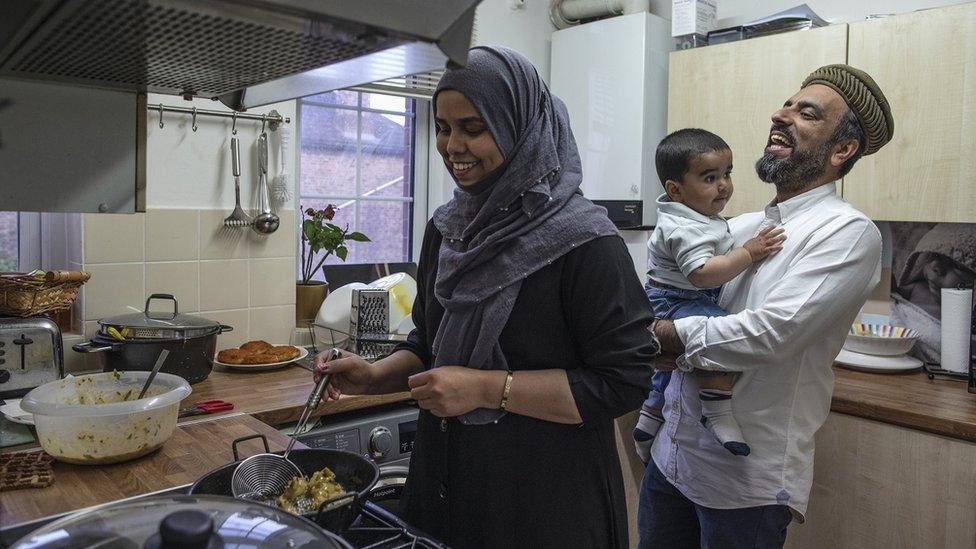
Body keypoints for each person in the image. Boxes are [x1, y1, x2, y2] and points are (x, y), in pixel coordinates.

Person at [314, 46, 657, 548]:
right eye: (442, 127)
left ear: (522, 127)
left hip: (546, 505)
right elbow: (428, 342)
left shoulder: (586, 242)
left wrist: (484, 388)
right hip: (449, 487)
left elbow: (624, 382)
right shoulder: (449, 230)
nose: (452, 145)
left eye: (474, 128)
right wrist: (375, 376)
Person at [640, 64, 894, 548]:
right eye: (786, 104)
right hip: (670, 458)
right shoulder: (738, 226)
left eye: (807, 113)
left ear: (842, 150)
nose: (781, 115)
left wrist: (661, 335)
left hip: (743, 486)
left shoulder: (847, 233)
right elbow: (669, 283)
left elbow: (771, 332)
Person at [633, 128, 785, 461]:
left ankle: (649, 416)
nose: (724, 185)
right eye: (709, 177)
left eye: (727, 174)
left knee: (670, 364)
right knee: (717, 336)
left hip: (671, 297)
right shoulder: (682, 228)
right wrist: (748, 253)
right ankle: (717, 413)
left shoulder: (698, 216)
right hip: (677, 299)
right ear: (676, 189)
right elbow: (701, 274)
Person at [891, 223, 976, 364]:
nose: (936, 266)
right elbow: (895, 297)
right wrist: (890, 287)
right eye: (935, 255)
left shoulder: (963, 314)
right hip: (897, 343)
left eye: (955, 265)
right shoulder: (919, 287)